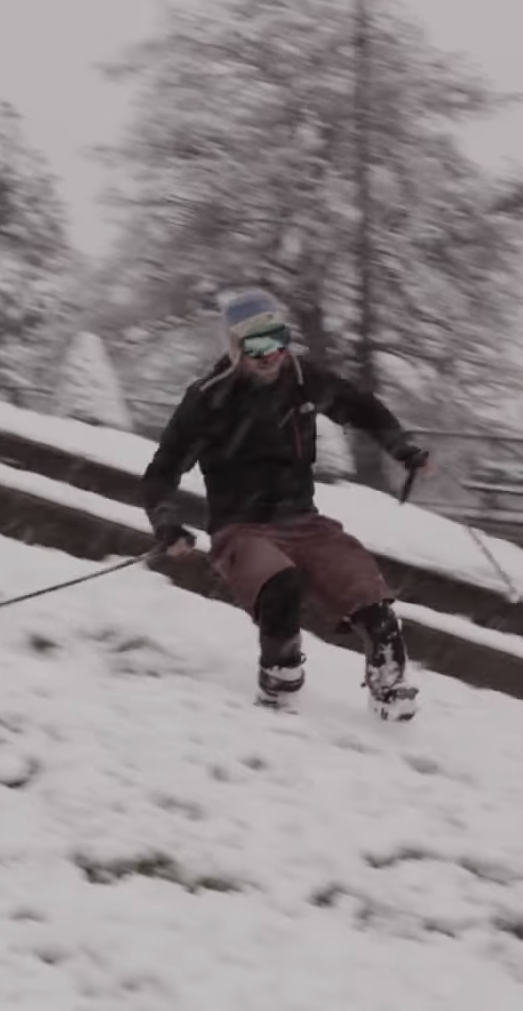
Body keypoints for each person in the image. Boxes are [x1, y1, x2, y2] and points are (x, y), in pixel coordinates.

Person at [140, 287, 432, 719]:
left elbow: (359, 407)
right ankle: (281, 682)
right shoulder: (208, 398)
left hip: (302, 520)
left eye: (278, 340)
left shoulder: (301, 378)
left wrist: (403, 448)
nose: (270, 355)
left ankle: (389, 688)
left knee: (370, 595)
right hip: (239, 528)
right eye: (255, 345)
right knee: (280, 583)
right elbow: (162, 471)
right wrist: (167, 525)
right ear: (236, 348)